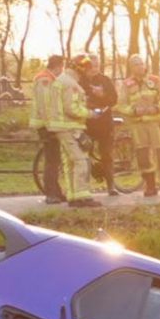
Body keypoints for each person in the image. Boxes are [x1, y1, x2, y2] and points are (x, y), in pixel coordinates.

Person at [53, 55, 99, 208]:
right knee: (81, 160)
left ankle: (73, 197)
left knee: (70, 163)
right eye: (88, 69)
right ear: (81, 69)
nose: (89, 73)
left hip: (63, 127)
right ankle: (83, 197)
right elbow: (71, 108)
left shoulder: (62, 80)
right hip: (70, 127)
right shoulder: (71, 84)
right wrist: (90, 113)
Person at [120, 55, 160, 197]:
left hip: (155, 123)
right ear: (131, 68)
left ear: (145, 65)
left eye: (141, 63)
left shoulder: (156, 81)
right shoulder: (126, 85)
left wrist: (157, 108)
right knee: (143, 156)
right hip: (138, 124)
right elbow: (121, 104)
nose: (139, 67)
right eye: (135, 65)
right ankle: (150, 186)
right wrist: (133, 111)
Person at [73, 54, 121, 195]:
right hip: (87, 123)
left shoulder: (105, 80)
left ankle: (111, 186)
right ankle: (85, 186)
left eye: (97, 65)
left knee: (107, 154)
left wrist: (102, 95)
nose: (94, 69)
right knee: (84, 154)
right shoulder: (80, 81)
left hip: (104, 124)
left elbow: (114, 100)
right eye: (91, 66)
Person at [28, 55, 66, 203]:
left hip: (48, 124)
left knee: (54, 159)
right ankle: (51, 193)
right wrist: (51, 126)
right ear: (58, 66)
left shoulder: (48, 78)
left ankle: (56, 191)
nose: (62, 70)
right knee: (52, 160)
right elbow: (45, 105)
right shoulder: (45, 79)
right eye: (62, 67)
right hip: (46, 125)